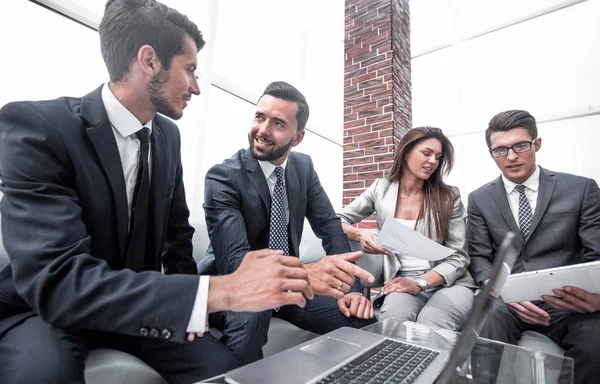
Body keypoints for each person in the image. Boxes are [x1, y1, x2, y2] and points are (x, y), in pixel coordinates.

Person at [0, 1, 315, 383]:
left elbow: (178, 239)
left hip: (139, 309)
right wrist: (216, 293)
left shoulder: (167, 136)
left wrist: (190, 312)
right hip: (47, 309)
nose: (197, 87)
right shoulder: (38, 129)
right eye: (190, 70)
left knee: (223, 371)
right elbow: (62, 281)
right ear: (149, 61)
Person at [202, 81, 377, 365]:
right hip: (233, 286)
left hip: (289, 292)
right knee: (253, 316)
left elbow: (331, 228)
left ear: (297, 137)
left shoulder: (303, 168)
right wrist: (304, 274)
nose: (263, 130)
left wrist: (353, 291)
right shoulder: (223, 176)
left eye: (278, 124)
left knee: (362, 320)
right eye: (260, 117)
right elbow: (235, 262)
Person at [467, 110, 600, 384]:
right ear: (491, 153)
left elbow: (596, 254)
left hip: (567, 300)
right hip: (507, 300)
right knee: (484, 319)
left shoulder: (581, 189)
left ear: (536, 144)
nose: (511, 156)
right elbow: (479, 257)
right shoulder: (479, 198)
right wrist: (501, 291)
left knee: (595, 341)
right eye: (500, 150)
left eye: (520, 146)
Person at [338, 127, 476, 331]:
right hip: (401, 280)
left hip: (449, 281)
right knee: (394, 320)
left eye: (438, 157)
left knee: (432, 322)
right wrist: (359, 233)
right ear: (406, 152)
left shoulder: (448, 196)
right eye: (426, 153)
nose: (433, 162)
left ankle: (444, 364)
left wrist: (420, 283)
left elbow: (459, 257)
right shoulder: (380, 189)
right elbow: (336, 219)